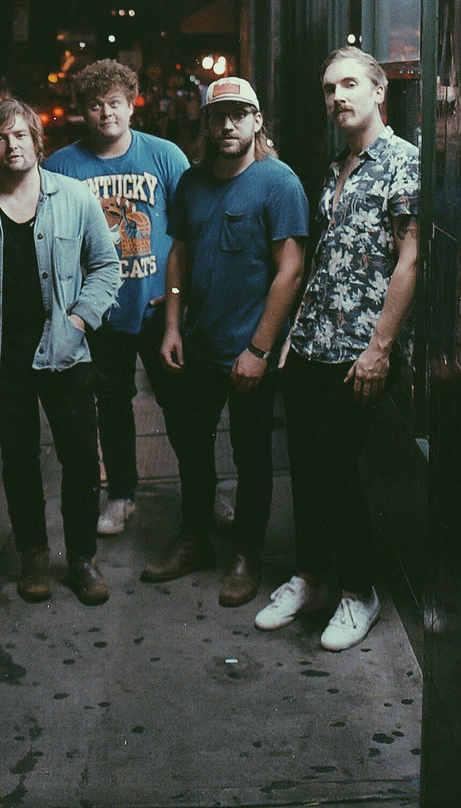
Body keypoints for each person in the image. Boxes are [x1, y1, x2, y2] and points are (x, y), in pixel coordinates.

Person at [255, 47, 419, 651]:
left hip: (360, 349)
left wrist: (381, 348)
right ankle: (311, 577)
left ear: (379, 91)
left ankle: (358, 590)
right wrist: (295, 334)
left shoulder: (402, 162)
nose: (337, 98)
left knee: (334, 466)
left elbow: (410, 261)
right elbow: (327, 259)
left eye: (349, 85)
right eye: (329, 89)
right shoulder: (339, 164)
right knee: (303, 464)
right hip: (313, 343)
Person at [0, 98, 121, 605]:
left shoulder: (74, 197)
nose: (11, 145)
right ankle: (33, 554)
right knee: (19, 461)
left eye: (20, 134)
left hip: (66, 354)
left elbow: (107, 266)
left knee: (80, 460)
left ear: (37, 142)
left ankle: (81, 558)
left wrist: (78, 321)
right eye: (0, 138)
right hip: (1, 357)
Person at [143, 75, 309, 608]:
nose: (228, 125)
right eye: (218, 117)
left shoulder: (278, 182)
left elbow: (290, 271)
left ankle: (246, 553)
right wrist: (172, 324)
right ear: (207, 125)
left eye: (239, 115)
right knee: (192, 448)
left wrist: (258, 350)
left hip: (249, 350)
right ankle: (195, 538)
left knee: (251, 455)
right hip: (198, 344)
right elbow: (179, 255)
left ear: (257, 121)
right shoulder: (192, 183)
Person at [44, 59, 190, 535]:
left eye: (114, 103)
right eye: (95, 105)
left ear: (132, 105)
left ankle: (201, 491)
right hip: (98, 313)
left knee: (182, 406)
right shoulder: (61, 166)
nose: (106, 113)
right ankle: (122, 495)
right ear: (82, 111)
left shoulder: (165, 156)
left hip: (158, 308)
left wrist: (179, 298)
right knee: (111, 407)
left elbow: (190, 232)